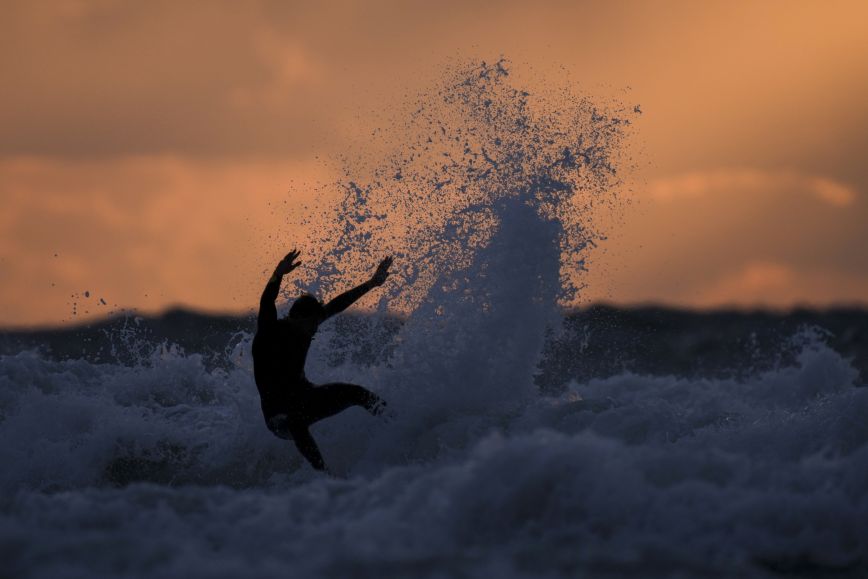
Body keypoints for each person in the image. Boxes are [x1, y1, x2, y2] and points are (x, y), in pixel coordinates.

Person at [252, 249, 392, 472]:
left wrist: (372, 283)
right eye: (312, 324)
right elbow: (267, 301)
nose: (315, 330)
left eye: (317, 323)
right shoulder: (270, 331)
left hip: (305, 397)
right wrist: (277, 275)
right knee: (296, 422)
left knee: (357, 393)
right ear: (297, 318)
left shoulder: (306, 327)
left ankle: (398, 422)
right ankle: (325, 475)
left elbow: (337, 304)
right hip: (277, 415)